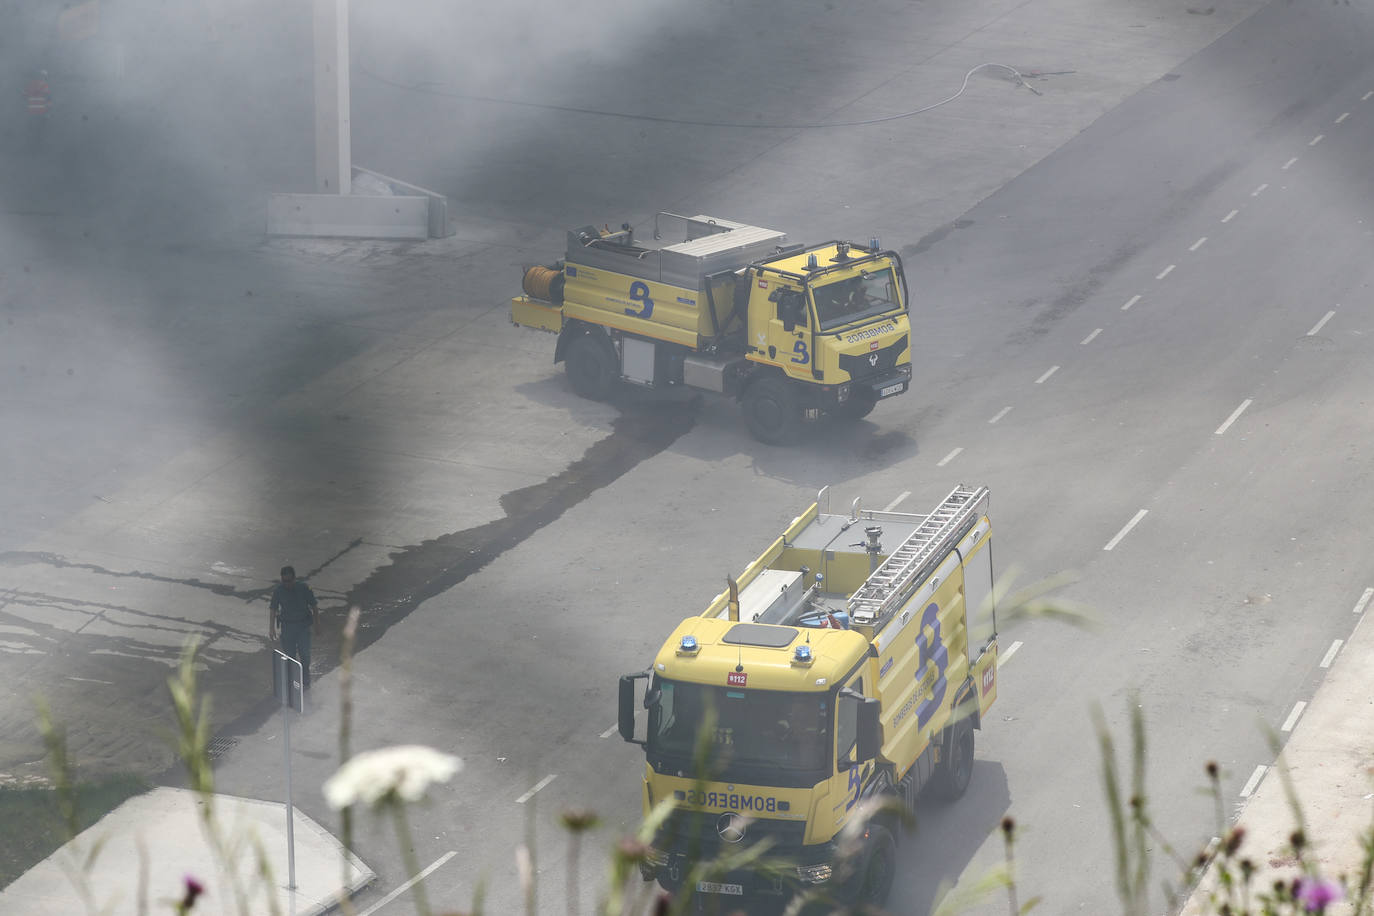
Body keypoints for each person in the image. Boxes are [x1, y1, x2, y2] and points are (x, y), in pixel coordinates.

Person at [269, 565, 320, 691]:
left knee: (305, 655)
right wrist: (271, 628)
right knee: (290, 656)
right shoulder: (278, 591)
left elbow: (314, 606)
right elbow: (273, 609)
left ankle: (305, 678)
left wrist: (317, 625)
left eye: (289, 581)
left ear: (294, 578)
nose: (287, 584)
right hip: (288, 628)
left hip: (302, 627)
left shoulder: (303, 588)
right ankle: (294, 681)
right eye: (284, 581)